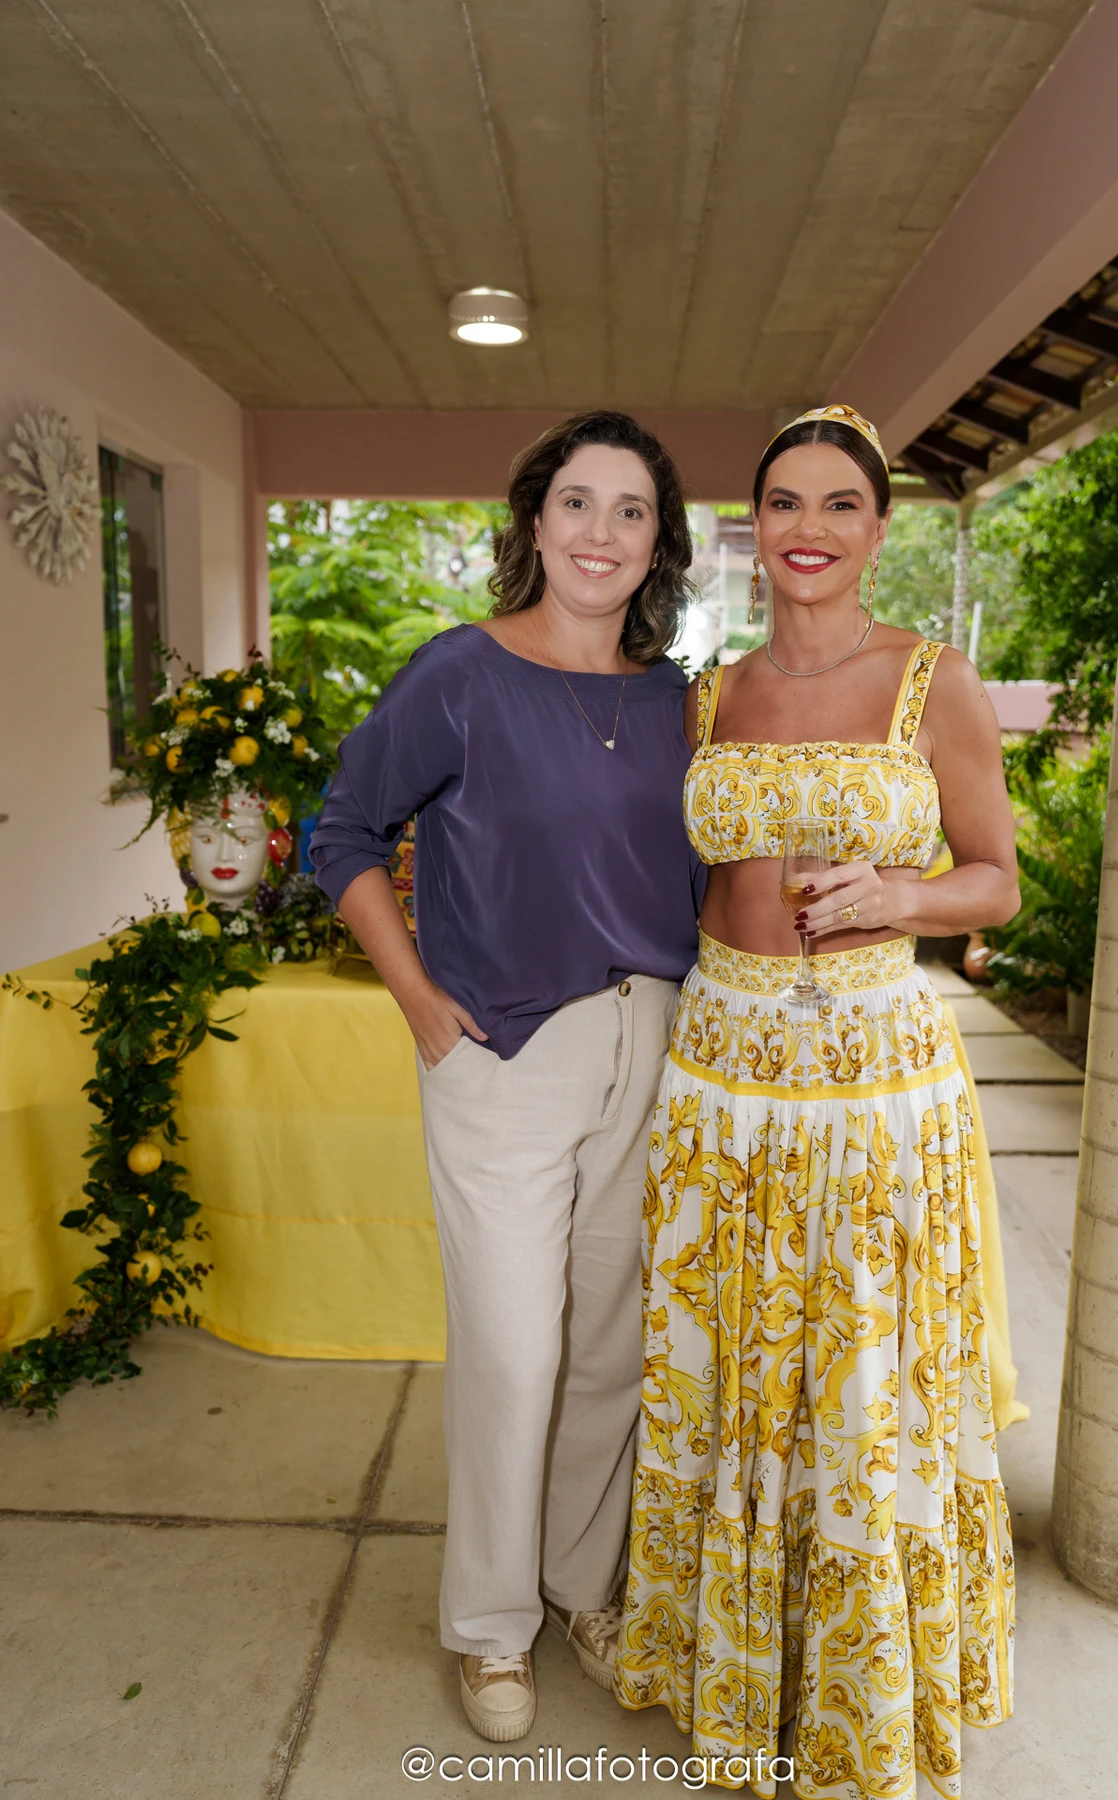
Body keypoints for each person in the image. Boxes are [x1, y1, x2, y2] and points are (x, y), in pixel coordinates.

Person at [613, 405, 1022, 1798]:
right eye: (784, 503)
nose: (807, 529)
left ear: (879, 528)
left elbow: (997, 879)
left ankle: (858, 1685)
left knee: (854, 1379)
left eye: (839, 505)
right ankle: (734, 1659)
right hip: (722, 1068)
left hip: (873, 1081)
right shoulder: (710, 695)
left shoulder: (934, 683)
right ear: (754, 523)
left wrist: (904, 893)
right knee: (730, 1371)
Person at [310, 411, 702, 1744]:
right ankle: (488, 1628)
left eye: (629, 510)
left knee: (606, 1348)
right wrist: (415, 993)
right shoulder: (458, 675)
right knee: (513, 1350)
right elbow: (345, 832)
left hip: (651, 1041)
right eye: (577, 503)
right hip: (501, 1053)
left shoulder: (676, 701)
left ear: (659, 542)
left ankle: (579, 1587)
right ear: (535, 523)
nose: (600, 532)